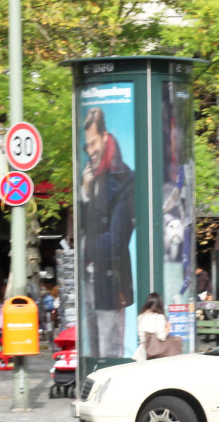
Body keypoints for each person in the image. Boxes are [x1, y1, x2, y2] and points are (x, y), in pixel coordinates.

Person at [80, 106, 136, 358]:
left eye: (93, 143)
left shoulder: (125, 178)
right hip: (88, 281)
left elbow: (116, 241)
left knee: (109, 356)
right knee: (92, 355)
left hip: (111, 285)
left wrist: (85, 243)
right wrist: (85, 191)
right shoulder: (92, 177)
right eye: (86, 146)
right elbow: (83, 226)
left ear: (104, 137)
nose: (90, 151)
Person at [133, 292, 169, 362]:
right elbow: (161, 337)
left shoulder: (140, 317)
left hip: (143, 353)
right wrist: (168, 328)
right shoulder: (159, 317)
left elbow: (141, 336)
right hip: (155, 353)